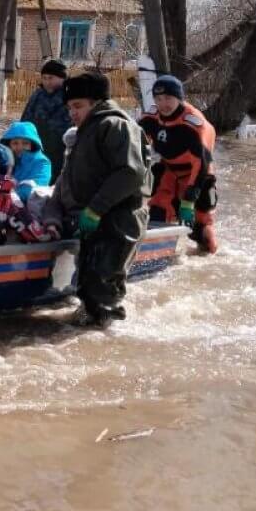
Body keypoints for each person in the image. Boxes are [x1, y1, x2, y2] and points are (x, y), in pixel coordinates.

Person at [43, 70, 151, 329]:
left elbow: (130, 172)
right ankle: (89, 333)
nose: (72, 113)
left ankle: (107, 340)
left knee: (103, 287)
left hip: (118, 220)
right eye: (69, 107)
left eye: (78, 106)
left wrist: (95, 209)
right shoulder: (87, 130)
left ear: (97, 102)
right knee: (90, 287)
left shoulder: (114, 125)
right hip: (96, 220)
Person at [139, 75, 219, 254]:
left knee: (202, 232)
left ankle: (207, 255)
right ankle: (154, 253)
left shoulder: (193, 125)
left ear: (179, 98)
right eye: (158, 99)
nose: (163, 104)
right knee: (158, 210)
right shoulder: (151, 117)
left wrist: (189, 200)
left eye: (168, 98)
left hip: (198, 175)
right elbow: (136, 145)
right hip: (169, 171)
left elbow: (202, 165)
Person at [20, 59, 72, 182]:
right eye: (44, 78)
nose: (47, 82)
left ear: (62, 78)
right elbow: (25, 122)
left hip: (61, 151)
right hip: (37, 150)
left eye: (51, 78)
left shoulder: (70, 97)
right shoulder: (37, 96)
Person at [0, 120, 52, 200]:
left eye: (25, 143)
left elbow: (33, 190)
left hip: (30, 207)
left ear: (33, 144)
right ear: (8, 145)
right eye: (15, 143)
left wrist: (7, 196)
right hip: (4, 203)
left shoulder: (42, 162)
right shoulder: (5, 161)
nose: (20, 147)